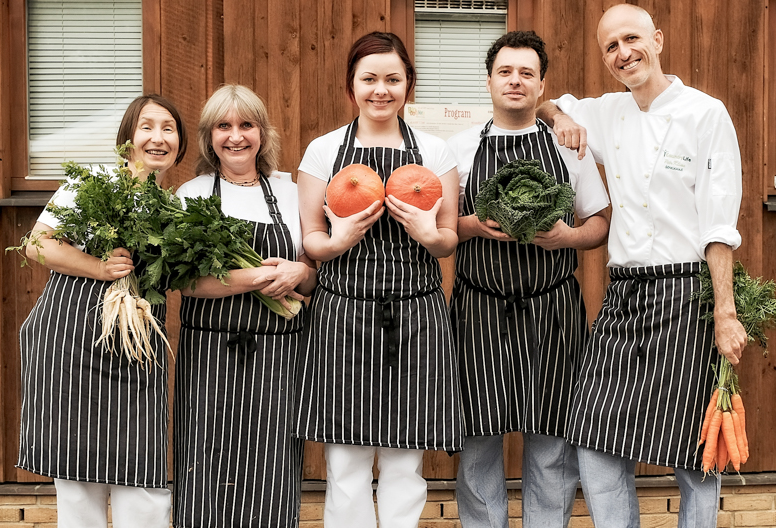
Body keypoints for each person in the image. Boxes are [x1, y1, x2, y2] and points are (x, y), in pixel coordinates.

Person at [536, 4, 747, 527]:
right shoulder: (606, 111)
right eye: (610, 47)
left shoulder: (705, 113)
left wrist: (725, 312)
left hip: (686, 291)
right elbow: (547, 105)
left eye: (631, 39)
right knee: (594, 432)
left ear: (657, 38)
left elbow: (719, 224)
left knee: (694, 450)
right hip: (625, 294)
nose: (623, 53)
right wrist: (561, 118)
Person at [292, 32, 463, 528]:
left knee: (405, 455)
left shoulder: (435, 150)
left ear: (409, 85)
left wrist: (429, 235)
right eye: (369, 79)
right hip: (343, 312)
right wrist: (339, 240)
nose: (380, 90)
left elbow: (449, 239)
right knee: (344, 457)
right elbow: (311, 241)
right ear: (352, 87)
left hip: (416, 311)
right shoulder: (324, 151)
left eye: (393, 78)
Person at [447, 31, 610, 528]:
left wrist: (567, 239)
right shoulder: (458, 147)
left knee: (551, 441)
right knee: (477, 442)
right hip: (479, 308)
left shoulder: (568, 147)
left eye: (526, 73)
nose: (515, 81)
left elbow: (600, 222)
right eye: (505, 72)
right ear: (490, 81)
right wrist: (473, 225)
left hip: (553, 308)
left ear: (542, 86)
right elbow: (436, 226)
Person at [18, 94, 187, 528]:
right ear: (128, 136)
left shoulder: (174, 209)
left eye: (169, 129)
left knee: (143, 471)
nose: (158, 137)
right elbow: (37, 243)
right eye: (147, 126)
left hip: (136, 341)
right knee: (77, 477)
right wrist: (100, 267)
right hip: (70, 338)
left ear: (179, 144)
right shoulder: (91, 182)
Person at [172, 84, 316, 528]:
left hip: (279, 353)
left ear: (262, 133)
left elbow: (314, 272)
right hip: (210, 354)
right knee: (204, 458)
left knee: (272, 461)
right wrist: (260, 276)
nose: (236, 136)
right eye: (223, 126)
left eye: (246, 125)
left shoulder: (290, 190)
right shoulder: (191, 194)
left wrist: (298, 273)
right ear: (209, 136)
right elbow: (188, 282)